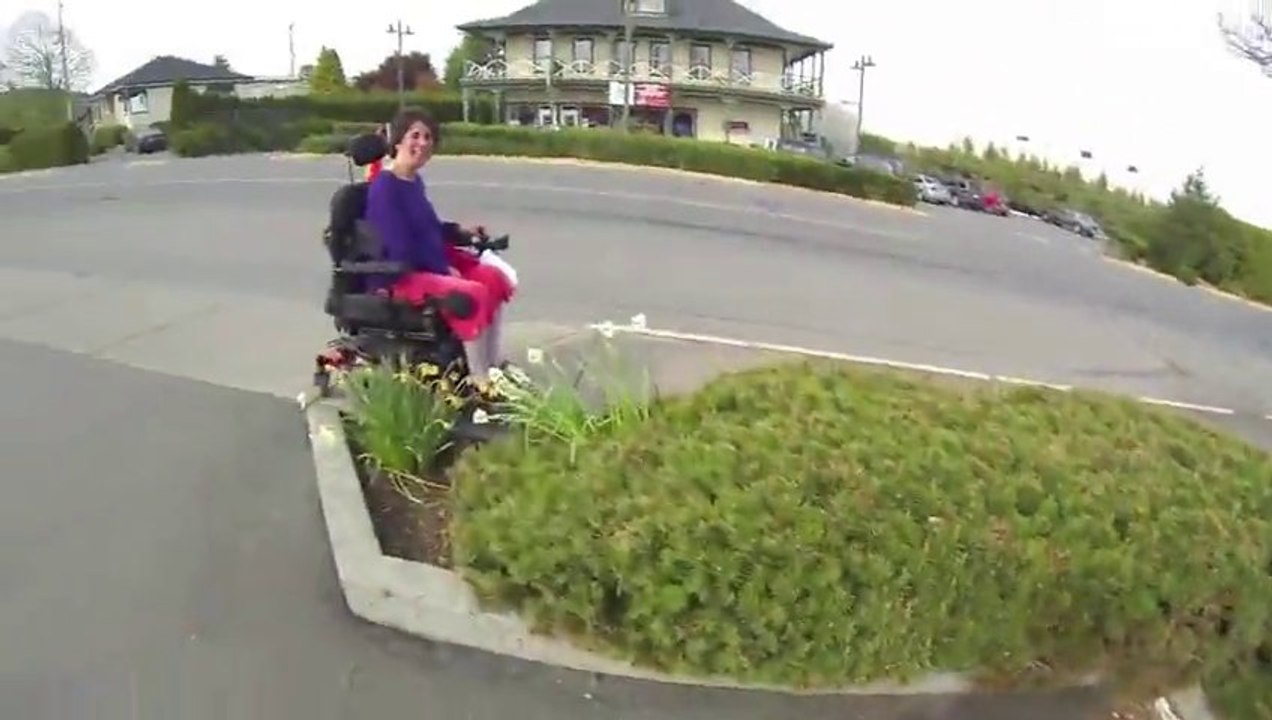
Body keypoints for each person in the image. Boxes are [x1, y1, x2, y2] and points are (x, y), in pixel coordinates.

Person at [364, 107, 516, 388]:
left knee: (493, 278)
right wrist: (443, 270)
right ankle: (479, 378)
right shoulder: (385, 187)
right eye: (415, 135)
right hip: (400, 275)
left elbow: (428, 229)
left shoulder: (412, 181)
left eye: (428, 137)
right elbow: (400, 245)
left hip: (425, 265)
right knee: (471, 292)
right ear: (398, 140)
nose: (422, 143)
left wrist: (460, 232)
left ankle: (493, 365)